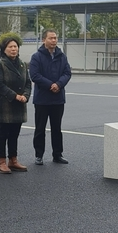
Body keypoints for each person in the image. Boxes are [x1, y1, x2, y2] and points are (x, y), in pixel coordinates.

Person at [29, 29, 72, 166]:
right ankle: (39, 155)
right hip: (42, 99)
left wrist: (59, 84)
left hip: (58, 98)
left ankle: (57, 154)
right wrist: (50, 85)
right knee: (40, 128)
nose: (54, 40)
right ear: (43, 40)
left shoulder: (61, 56)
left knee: (57, 128)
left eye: (55, 38)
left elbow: (67, 73)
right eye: (51, 38)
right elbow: (35, 75)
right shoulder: (37, 57)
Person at [0, 35, 31, 174]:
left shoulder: (22, 64)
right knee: (3, 134)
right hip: (6, 104)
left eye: (15, 47)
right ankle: (1, 161)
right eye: (10, 47)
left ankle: (13, 160)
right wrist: (15, 96)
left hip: (20, 104)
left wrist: (25, 96)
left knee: (15, 134)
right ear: (4, 49)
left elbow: (28, 83)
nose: (13, 49)